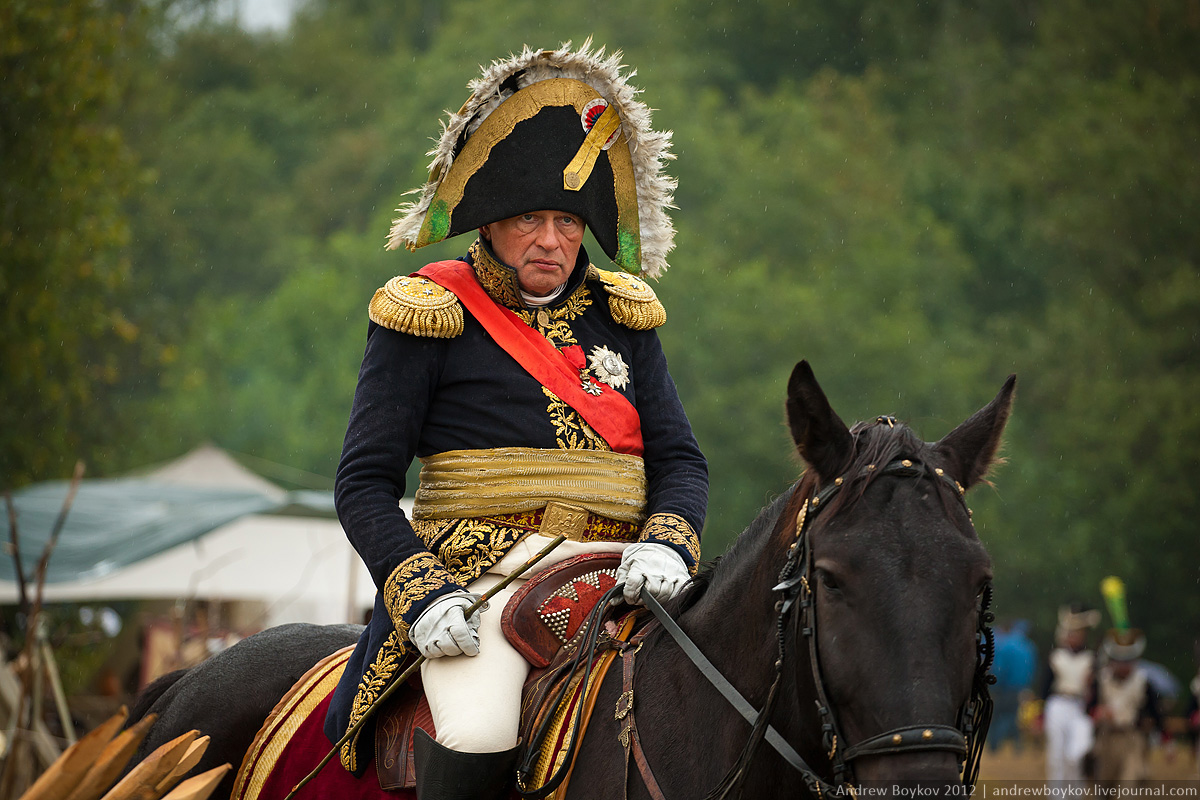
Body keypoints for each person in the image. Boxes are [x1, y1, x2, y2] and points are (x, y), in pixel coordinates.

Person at [322, 42, 708, 800]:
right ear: (491, 222)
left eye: (567, 220)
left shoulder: (623, 316)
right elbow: (364, 482)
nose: (552, 241)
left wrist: (669, 543)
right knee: (479, 734)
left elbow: (680, 462)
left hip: (623, 574)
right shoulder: (428, 311)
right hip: (479, 581)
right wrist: (421, 591)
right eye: (531, 217)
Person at [1090, 628, 1161, 786]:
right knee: (1104, 787)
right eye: (1119, 660)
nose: (1123, 665)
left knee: (1127, 787)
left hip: (1132, 739)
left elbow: (1156, 714)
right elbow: (1088, 709)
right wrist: (1097, 713)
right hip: (1105, 739)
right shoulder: (1100, 680)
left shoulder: (1143, 683)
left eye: (1128, 660)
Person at [1041, 603, 1100, 783]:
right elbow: (1046, 685)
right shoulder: (1056, 656)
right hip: (1058, 704)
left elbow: (1096, 690)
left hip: (1080, 707)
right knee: (1056, 756)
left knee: (1076, 755)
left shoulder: (1091, 659)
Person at [989, 619, 1038, 752]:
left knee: (999, 716)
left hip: (1004, 687)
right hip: (1021, 687)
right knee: (1014, 716)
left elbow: (1000, 668)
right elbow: (1032, 669)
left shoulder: (1006, 645)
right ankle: (1017, 746)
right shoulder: (1030, 646)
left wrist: (995, 685)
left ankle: (994, 746)